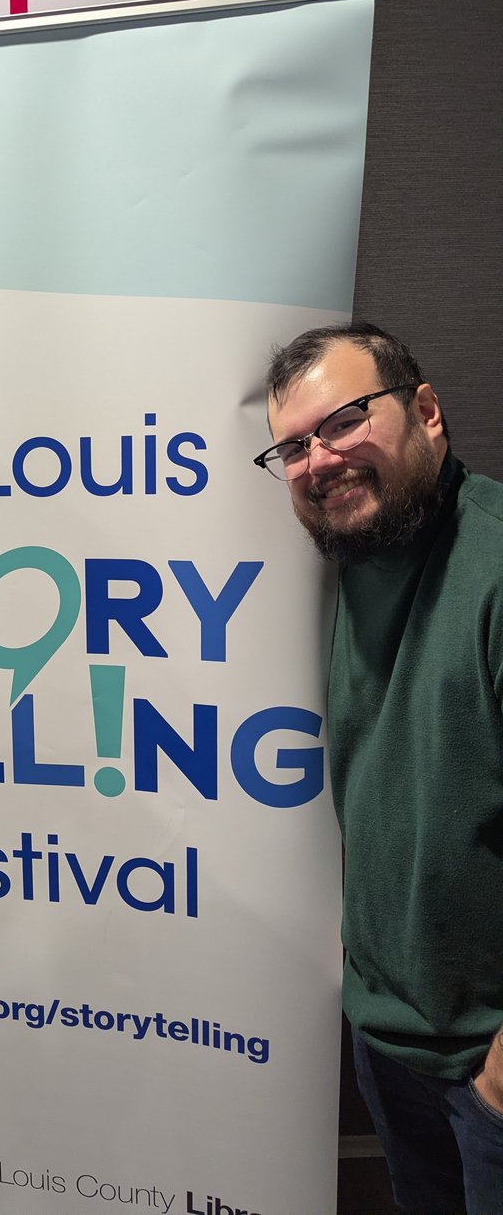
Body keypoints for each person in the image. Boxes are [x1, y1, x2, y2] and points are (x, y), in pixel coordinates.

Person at [255, 321, 503, 1213]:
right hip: (386, 1040)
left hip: (488, 1067)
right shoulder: (344, 572)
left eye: (345, 420)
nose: (319, 460)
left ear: (427, 411)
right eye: (292, 445)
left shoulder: (495, 566)